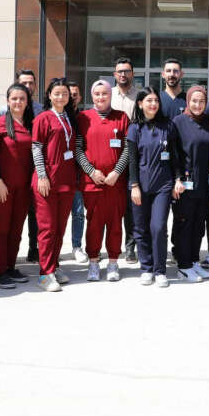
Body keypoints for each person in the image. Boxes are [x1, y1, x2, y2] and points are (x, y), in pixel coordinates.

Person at [75, 80, 131, 282]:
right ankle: (93, 262)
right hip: (93, 182)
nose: (101, 97)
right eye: (97, 94)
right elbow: (78, 149)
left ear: (111, 95)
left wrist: (117, 171)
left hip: (116, 183)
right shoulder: (83, 118)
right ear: (92, 96)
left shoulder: (122, 117)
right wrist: (91, 171)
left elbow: (128, 148)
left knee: (115, 223)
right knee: (94, 224)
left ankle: (113, 262)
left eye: (104, 93)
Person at [126, 87, 182, 287]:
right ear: (140, 104)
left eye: (156, 100)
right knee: (140, 228)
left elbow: (175, 156)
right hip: (140, 185)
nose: (153, 104)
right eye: (149, 100)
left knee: (158, 227)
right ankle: (146, 268)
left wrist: (178, 179)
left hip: (163, 185)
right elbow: (132, 160)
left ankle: (160, 270)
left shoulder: (168, 126)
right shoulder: (134, 128)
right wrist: (134, 185)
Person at [0, 84, 35, 288]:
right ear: (7, 101)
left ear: (27, 101)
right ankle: (1, 271)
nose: (18, 102)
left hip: (24, 187)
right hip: (3, 187)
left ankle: (11, 267)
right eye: (14, 98)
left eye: (22, 98)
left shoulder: (31, 124)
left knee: (16, 228)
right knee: (2, 229)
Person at [31, 78, 79, 292]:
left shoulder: (69, 118)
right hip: (47, 181)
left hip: (66, 180)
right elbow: (36, 148)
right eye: (57, 93)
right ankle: (44, 273)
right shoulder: (43, 118)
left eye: (64, 93)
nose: (61, 97)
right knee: (47, 228)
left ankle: (54, 266)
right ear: (49, 95)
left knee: (59, 228)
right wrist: (42, 176)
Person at [172, 86, 209, 282]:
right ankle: (183, 266)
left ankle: (194, 260)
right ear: (188, 101)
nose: (198, 105)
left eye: (201, 101)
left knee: (199, 225)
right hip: (184, 184)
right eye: (194, 101)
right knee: (185, 224)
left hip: (204, 184)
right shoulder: (178, 122)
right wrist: (176, 178)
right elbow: (173, 153)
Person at [109, 57, 138, 263]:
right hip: (111, 155)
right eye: (119, 71)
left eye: (126, 71)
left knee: (130, 207)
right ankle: (111, 246)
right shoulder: (107, 94)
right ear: (114, 74)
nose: (123, 74)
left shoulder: (139, 96)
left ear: (132, 74)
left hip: (134, 153)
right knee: (112, 206)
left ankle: (130, 247)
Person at [16, 69, 41, 260]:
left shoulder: (41, 109)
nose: (28, 86)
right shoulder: (5, 110)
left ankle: (34, 248)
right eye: (24, 82)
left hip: (35, 166)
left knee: (35, 211)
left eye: (31, 83)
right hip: (15, 166)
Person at [65, 80, 87, 264]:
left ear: (79, 97)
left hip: (78, 172)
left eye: (75, 95)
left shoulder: (83, 118)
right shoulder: (57, 116)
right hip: (60, 173)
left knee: (78, 212)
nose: (72, 98)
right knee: (57, 214)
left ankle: (76, 246)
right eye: (69, 94)